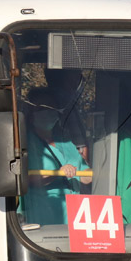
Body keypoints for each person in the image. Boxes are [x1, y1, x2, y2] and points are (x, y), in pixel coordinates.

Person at [21, 89, 92, 225]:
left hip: (75, 213)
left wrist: (94, 174)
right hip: (45, 214)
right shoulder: (26, 141)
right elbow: (24, 180)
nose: (47, 112)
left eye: (51, 107)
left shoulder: (64, 138)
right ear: (30, 113)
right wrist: (59, 173)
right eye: (42, 108)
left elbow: (82, 171)